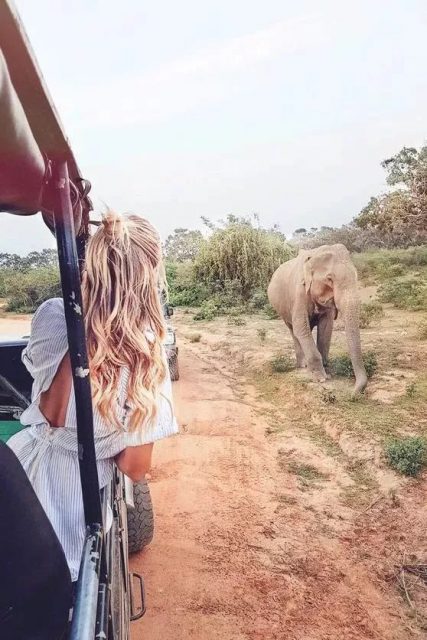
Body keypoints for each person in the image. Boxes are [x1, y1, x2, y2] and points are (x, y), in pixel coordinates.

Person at [8, 211, 179, 583]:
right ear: (150, 273)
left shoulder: (53, 315)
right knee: (59, 585)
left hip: (20, 469)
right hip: (76, 496)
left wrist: (84, 321)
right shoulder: (147, 351)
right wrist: (106, 441)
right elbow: (135, 466)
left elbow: (51, 413)